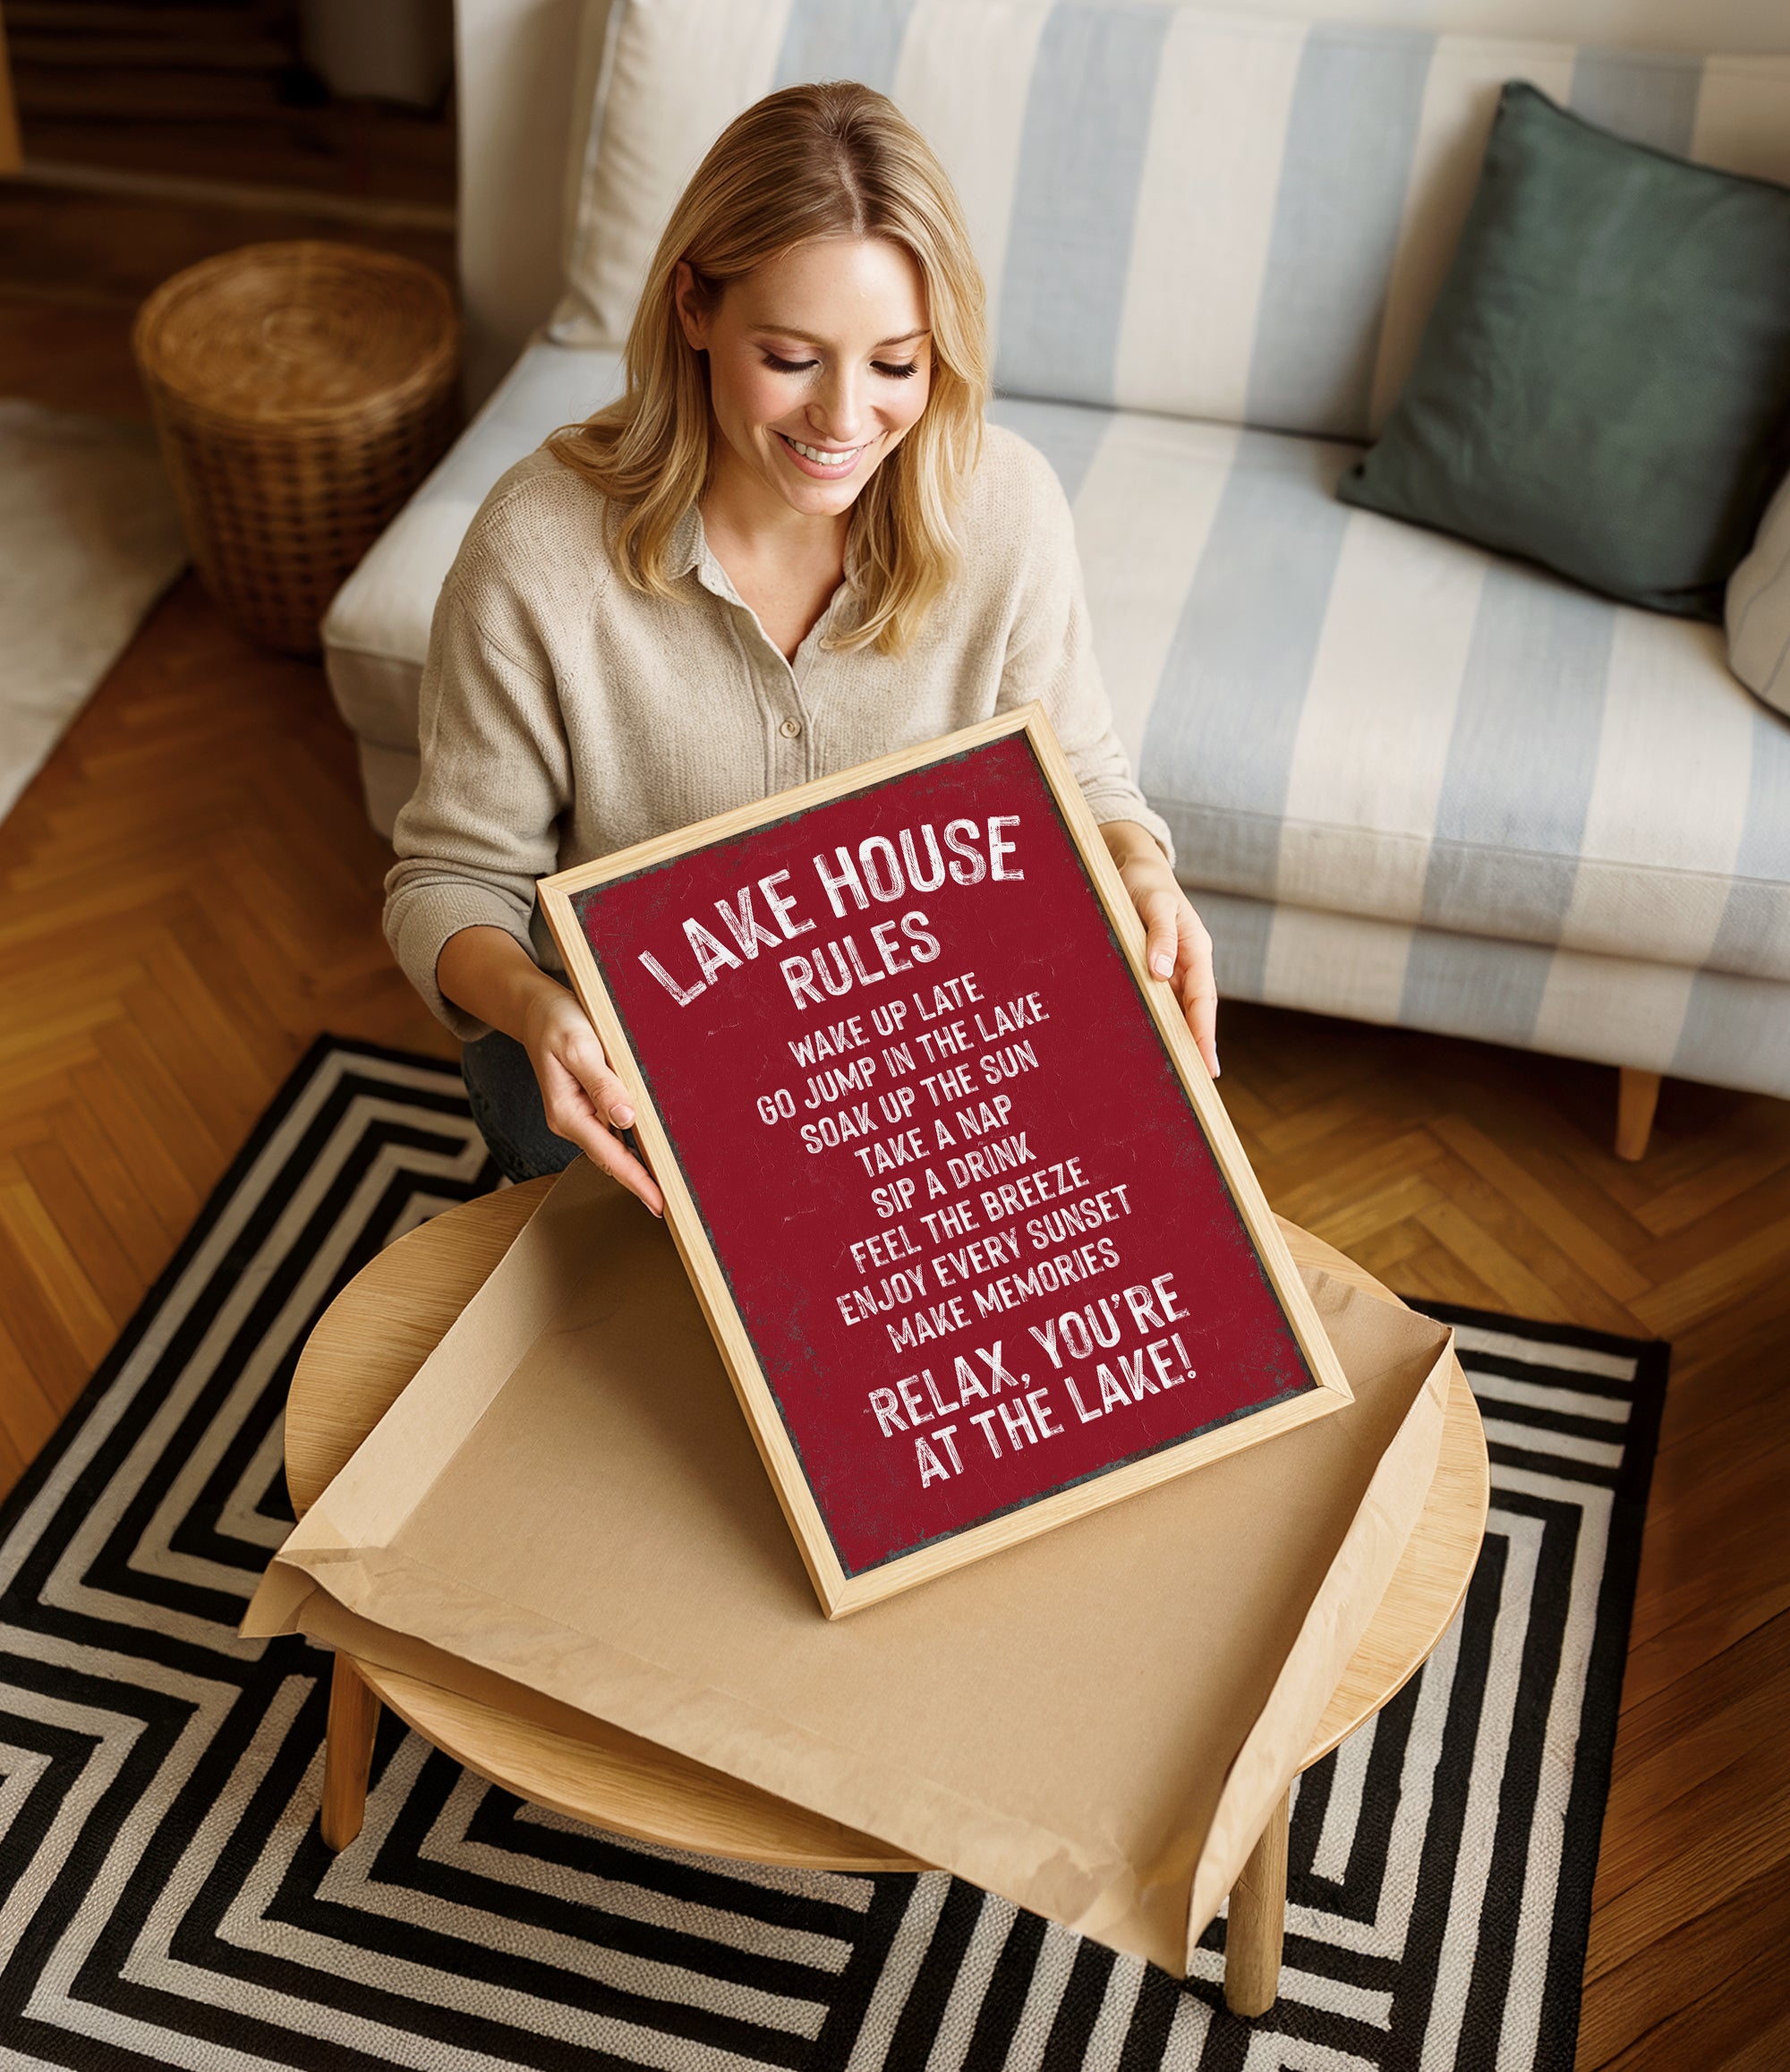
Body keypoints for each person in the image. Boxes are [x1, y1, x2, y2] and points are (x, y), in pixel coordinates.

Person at [385, 81, 1217, 1210]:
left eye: (894, 364)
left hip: (915, 1055)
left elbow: (1083, 779)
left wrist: (1136, 865)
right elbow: (449, 879)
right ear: (693, 308)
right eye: (788, 355)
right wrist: (537, 1007)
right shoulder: (536, 549)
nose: (842, 419)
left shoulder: (1007, 508)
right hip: (623, 1072)